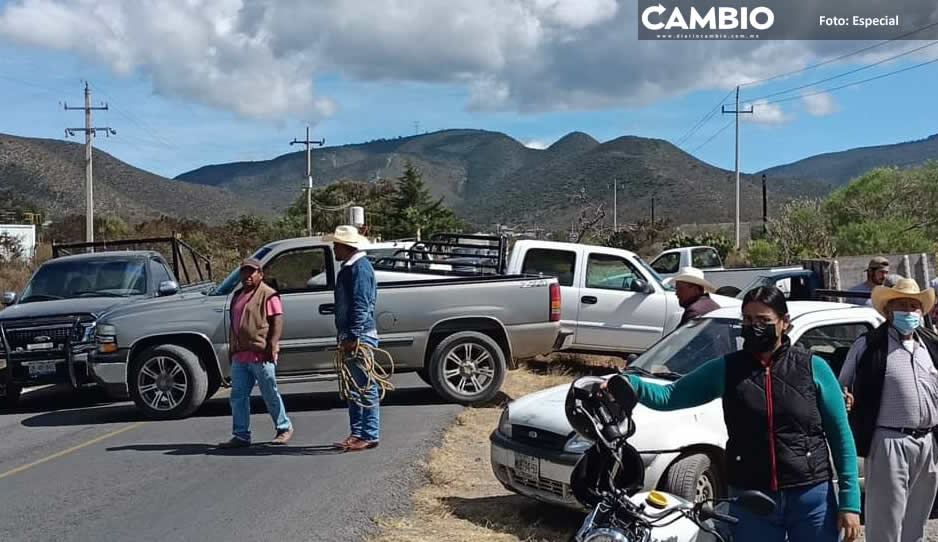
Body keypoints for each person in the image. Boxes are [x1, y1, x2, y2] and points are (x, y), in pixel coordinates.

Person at [609, 286, 861, 541]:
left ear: (785, 323)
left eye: (764, 320)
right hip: (751, 497)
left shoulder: (813, 368)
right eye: (749, 320)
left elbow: (841, 438)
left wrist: (850, 503)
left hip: (810, 496)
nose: (755, 327)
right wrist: (625, 384)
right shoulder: (727, 369)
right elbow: (670, 396)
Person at [839, 278, 938, 542]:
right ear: (888, 311)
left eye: (914, 306)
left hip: (928, 442)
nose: (909, 311)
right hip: (889, 440)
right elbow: (842, 385)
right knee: (886, 520)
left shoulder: (929, 344)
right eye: (902, 306)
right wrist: (846, 397)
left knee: (917, 520)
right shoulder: (869, 345)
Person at [218, 258, 293, 448]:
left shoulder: (268, 295)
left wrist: (272, 345)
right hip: (240, 355)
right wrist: (232, 350)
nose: (247, 276)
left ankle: (284, 428)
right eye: (244, 272)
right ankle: (241, 435)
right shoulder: (237, 295)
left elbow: (277, 321)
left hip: (261, 354)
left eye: (251, 272)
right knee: (238, 396)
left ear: (260, 274)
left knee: (269, 393)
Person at [325, 226, 382, 452]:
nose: (334, 248)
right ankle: (358, 432)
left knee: (364, 385)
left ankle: (369, 433)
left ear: (347, 246)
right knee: (354, 386)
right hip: (351, 334)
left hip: (358, 335)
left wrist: (353, 334)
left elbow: (361, 304)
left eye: (337, 244)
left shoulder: (359, 269)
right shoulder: (352, 268)